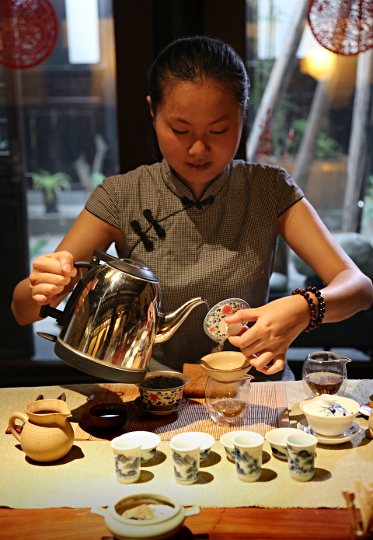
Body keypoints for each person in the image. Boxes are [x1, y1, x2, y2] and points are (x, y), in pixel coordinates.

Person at [11, 36, 373, 381]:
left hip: (252, 393)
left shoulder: (269, 190)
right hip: (152, 396)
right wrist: (43, 287)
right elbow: (22, 310)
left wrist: (304, 308)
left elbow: (358, 287)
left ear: (242, 115)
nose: (198, 149)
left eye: (218, 130)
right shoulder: (121, 196)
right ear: (153, 111)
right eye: (180, 130)